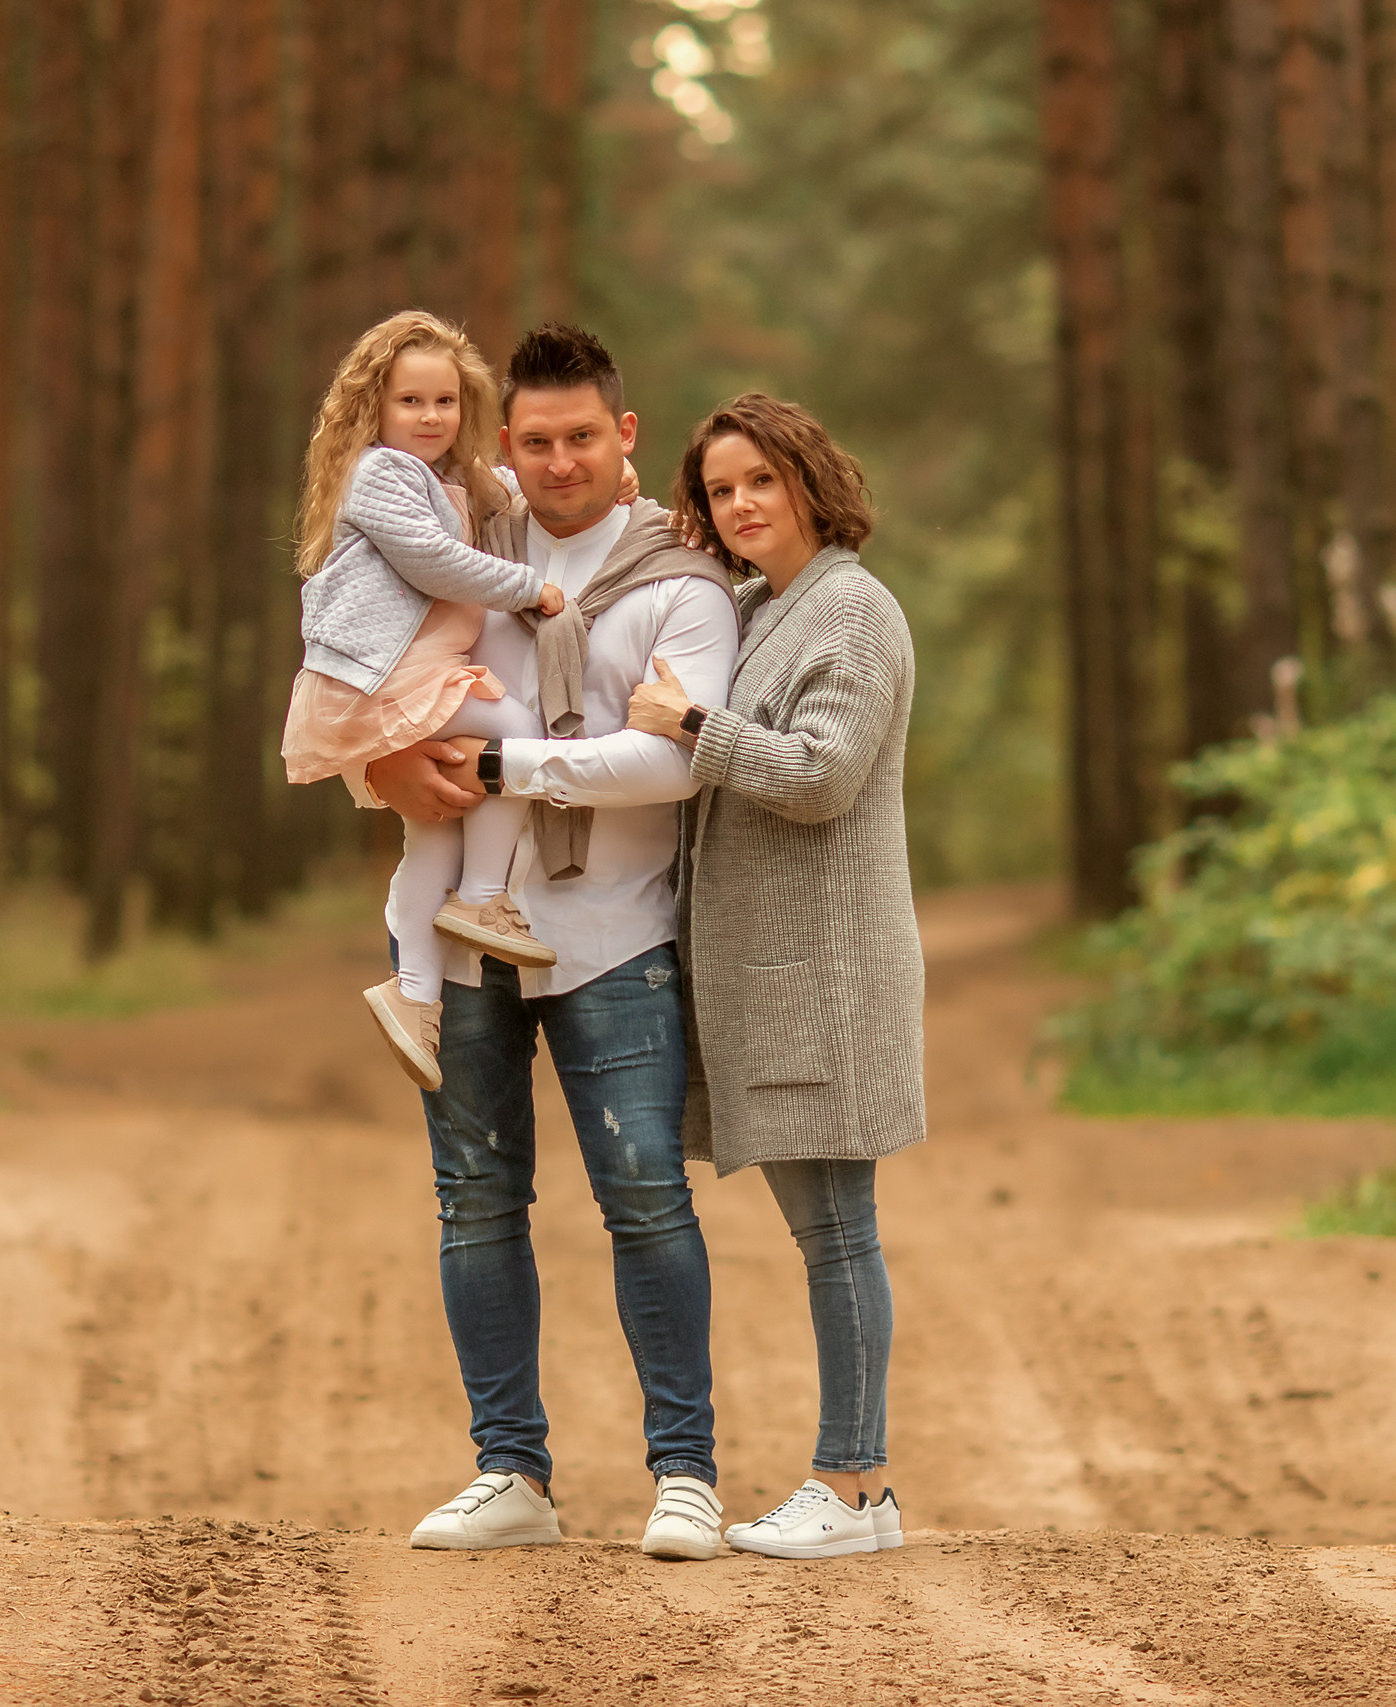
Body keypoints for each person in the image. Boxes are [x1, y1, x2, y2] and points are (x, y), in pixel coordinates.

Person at [358, 325, 742, 1560]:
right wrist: (383, 765)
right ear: (505, 444)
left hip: (611, 935)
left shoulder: (682, 580)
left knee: (644, 1196)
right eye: (535, 441)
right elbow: (375, 680)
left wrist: (501, 765)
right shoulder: (462, 546)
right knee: (475, 1204)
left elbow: (672, 763)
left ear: (623, 435)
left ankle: (685, 1475)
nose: (560, 461)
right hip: (463, 938)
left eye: (582, 437)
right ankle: (508, 1471)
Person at [624, 392, 925, 1560]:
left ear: (810, 478)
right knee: (825, 1231)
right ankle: (857, 1490)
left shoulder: (851, 609)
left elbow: (820, 775)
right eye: (719, 490)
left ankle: (850, 1487)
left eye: (761, 479)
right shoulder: (756, 607)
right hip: (776, 977)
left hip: (827, 978)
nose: (741, 504)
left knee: (837, 1231)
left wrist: (693, 724)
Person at [280, 310, 574, 1091]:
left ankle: (413, 994)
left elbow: (507, 486)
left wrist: (606, 482)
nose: (431, 416)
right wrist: (528, 588)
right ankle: (482, 898)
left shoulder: (444, 476)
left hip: (415, 674)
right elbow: (433, 560)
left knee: (435, 833)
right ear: (374, 407)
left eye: (445, 401)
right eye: (411, 401)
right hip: (387, 676)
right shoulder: (380, 473)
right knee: (514, 731)